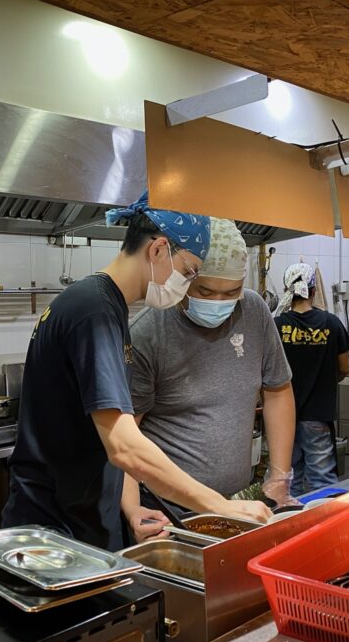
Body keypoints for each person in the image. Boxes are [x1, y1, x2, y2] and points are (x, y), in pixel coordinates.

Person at [1, 194, 271, 550]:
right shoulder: (93, 312)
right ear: (158, 249)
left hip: (77, 519)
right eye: (188, 271)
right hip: (56, 531)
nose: (186, 284)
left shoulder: (103, 306)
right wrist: (220, 507)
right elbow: (124, 446)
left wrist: (129, 509)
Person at [123, 218, 297, 542]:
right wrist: (133, 510)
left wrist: (279, 475)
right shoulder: (149, 332)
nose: (218, 302)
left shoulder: (254, 312)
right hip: (170, 511)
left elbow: (277, 390)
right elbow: (123, 437)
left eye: (230, 292)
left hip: (239, 502)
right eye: (205, 290)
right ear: (186, 275)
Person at [274, 262, 349, 494]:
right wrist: (324, 381)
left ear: (287, 289)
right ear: (314, 291)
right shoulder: (331, 323)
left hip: (282, 416)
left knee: (289, 482)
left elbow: (265, 372)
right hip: (318, 415)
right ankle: (324, 526)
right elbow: (344, 368)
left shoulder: (277, 325)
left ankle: (293, 526)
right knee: (322, 481)